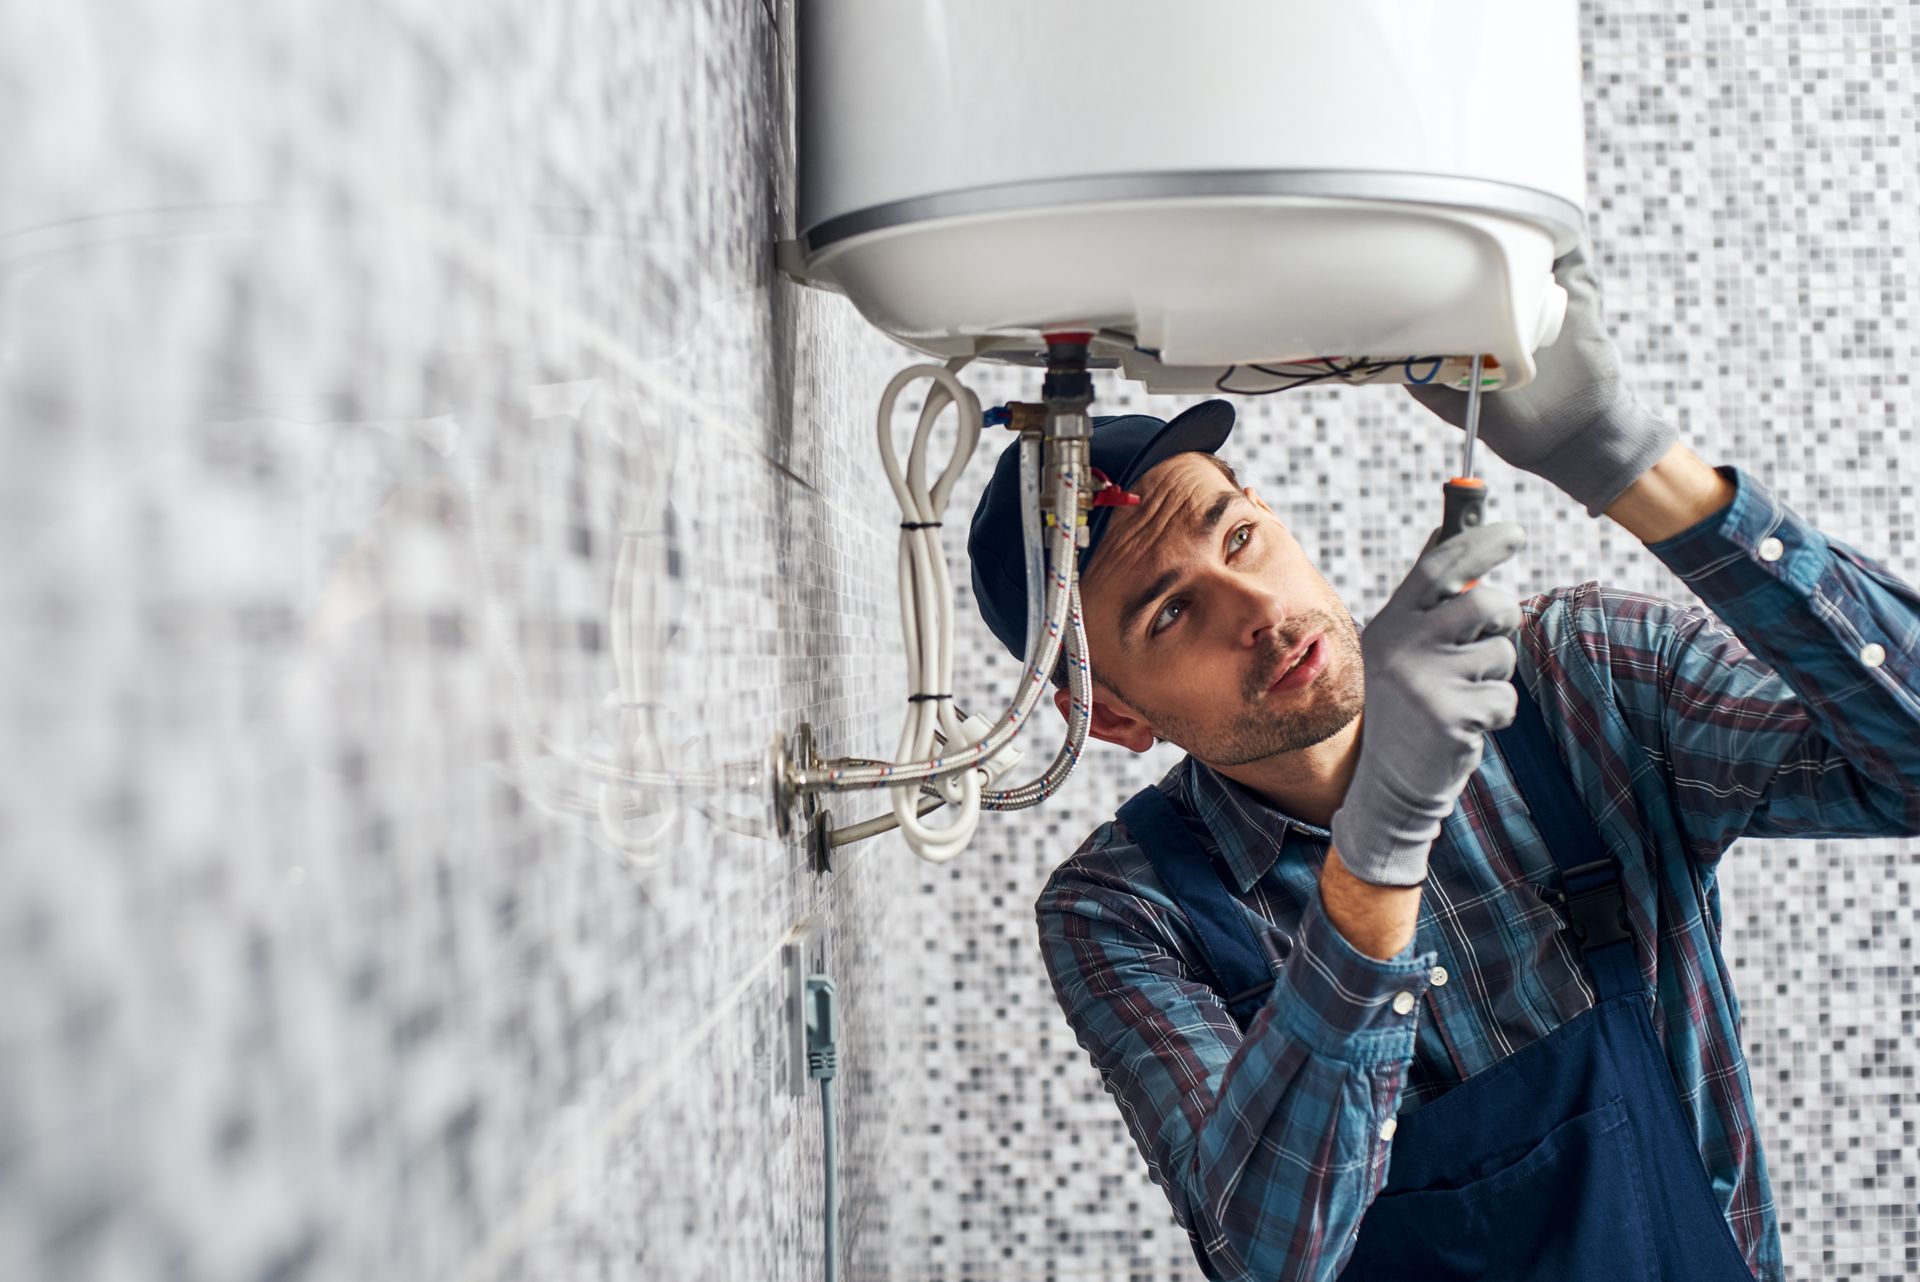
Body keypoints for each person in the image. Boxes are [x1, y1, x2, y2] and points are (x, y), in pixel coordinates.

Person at [963, 244, 1920, 1282]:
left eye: (1236, 536)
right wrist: (1378, 852)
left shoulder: (1575, 679)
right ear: (1110, 714)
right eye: (1171, 611)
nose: (1260, 612)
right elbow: (1271, 1252)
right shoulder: (1124, 911)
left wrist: (1632, 462)